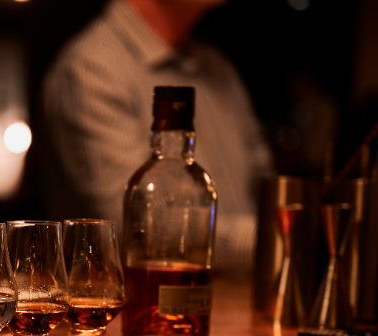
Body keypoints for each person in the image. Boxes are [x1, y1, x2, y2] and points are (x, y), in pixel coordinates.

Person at [41, 0, 273, 272]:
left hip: (243, 304)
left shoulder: (216, 67)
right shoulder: (93, 67)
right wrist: (279, 239)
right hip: (144, 309)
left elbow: (263, 181)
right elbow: (142, 225)